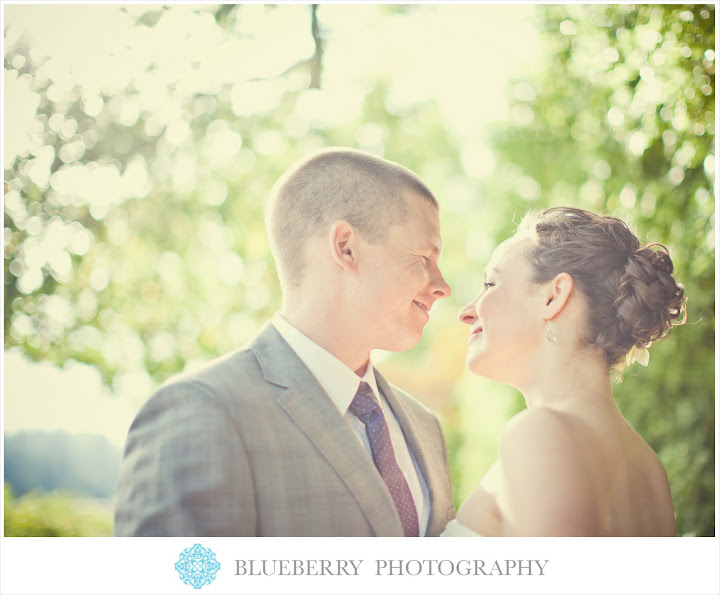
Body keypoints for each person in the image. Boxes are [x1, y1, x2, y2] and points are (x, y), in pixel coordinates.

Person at [114, 147, 455, 536]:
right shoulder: (203, 411)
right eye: (424, 257)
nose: (442, 286)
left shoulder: (424, 427)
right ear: (346, 247)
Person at [443, 206, 686, 537]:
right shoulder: (649, 469)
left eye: (490, 283)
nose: (467, 312)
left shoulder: (539, 433)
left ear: (553, 297)